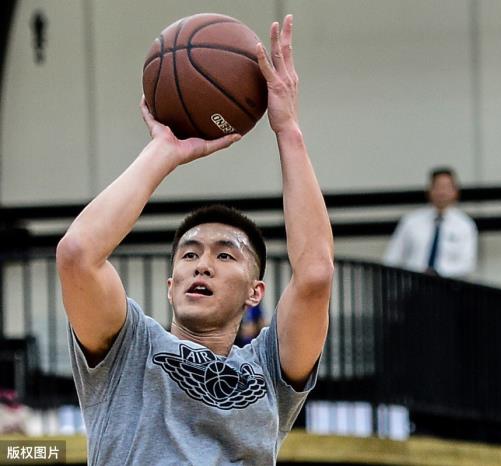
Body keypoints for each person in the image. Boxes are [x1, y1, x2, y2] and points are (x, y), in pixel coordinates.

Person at [56, 15, 334, 465]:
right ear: (171, 285)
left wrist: (288, 130)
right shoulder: (130, 348)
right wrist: (162, 153)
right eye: (189, 254)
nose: (202, 264)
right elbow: (77, 255)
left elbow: (316, 275)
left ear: (255, 292)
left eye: (225, 255)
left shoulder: (268, 369)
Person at [383, 167, 477, 279]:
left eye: (446, 187)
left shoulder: (464, 224)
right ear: (429, 190)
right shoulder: (411, 221)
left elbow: (467, 264)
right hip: (413, 282)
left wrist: (438, 272)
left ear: (455, 191)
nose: (441, 192)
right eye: (437, 187)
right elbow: (393, 257)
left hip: (448, 284)